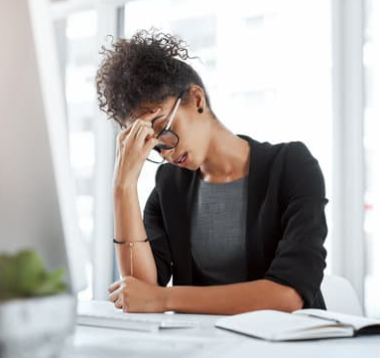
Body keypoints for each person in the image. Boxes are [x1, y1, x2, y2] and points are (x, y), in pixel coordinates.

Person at [96, 29, 328, 314]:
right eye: (153, 146)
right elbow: (140, 290)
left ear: (196, 99)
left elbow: (288, 294)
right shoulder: (169, 186)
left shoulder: (291, 166)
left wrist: (163, 299)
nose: (166, 152)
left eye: (164, 132)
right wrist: (123, 185)